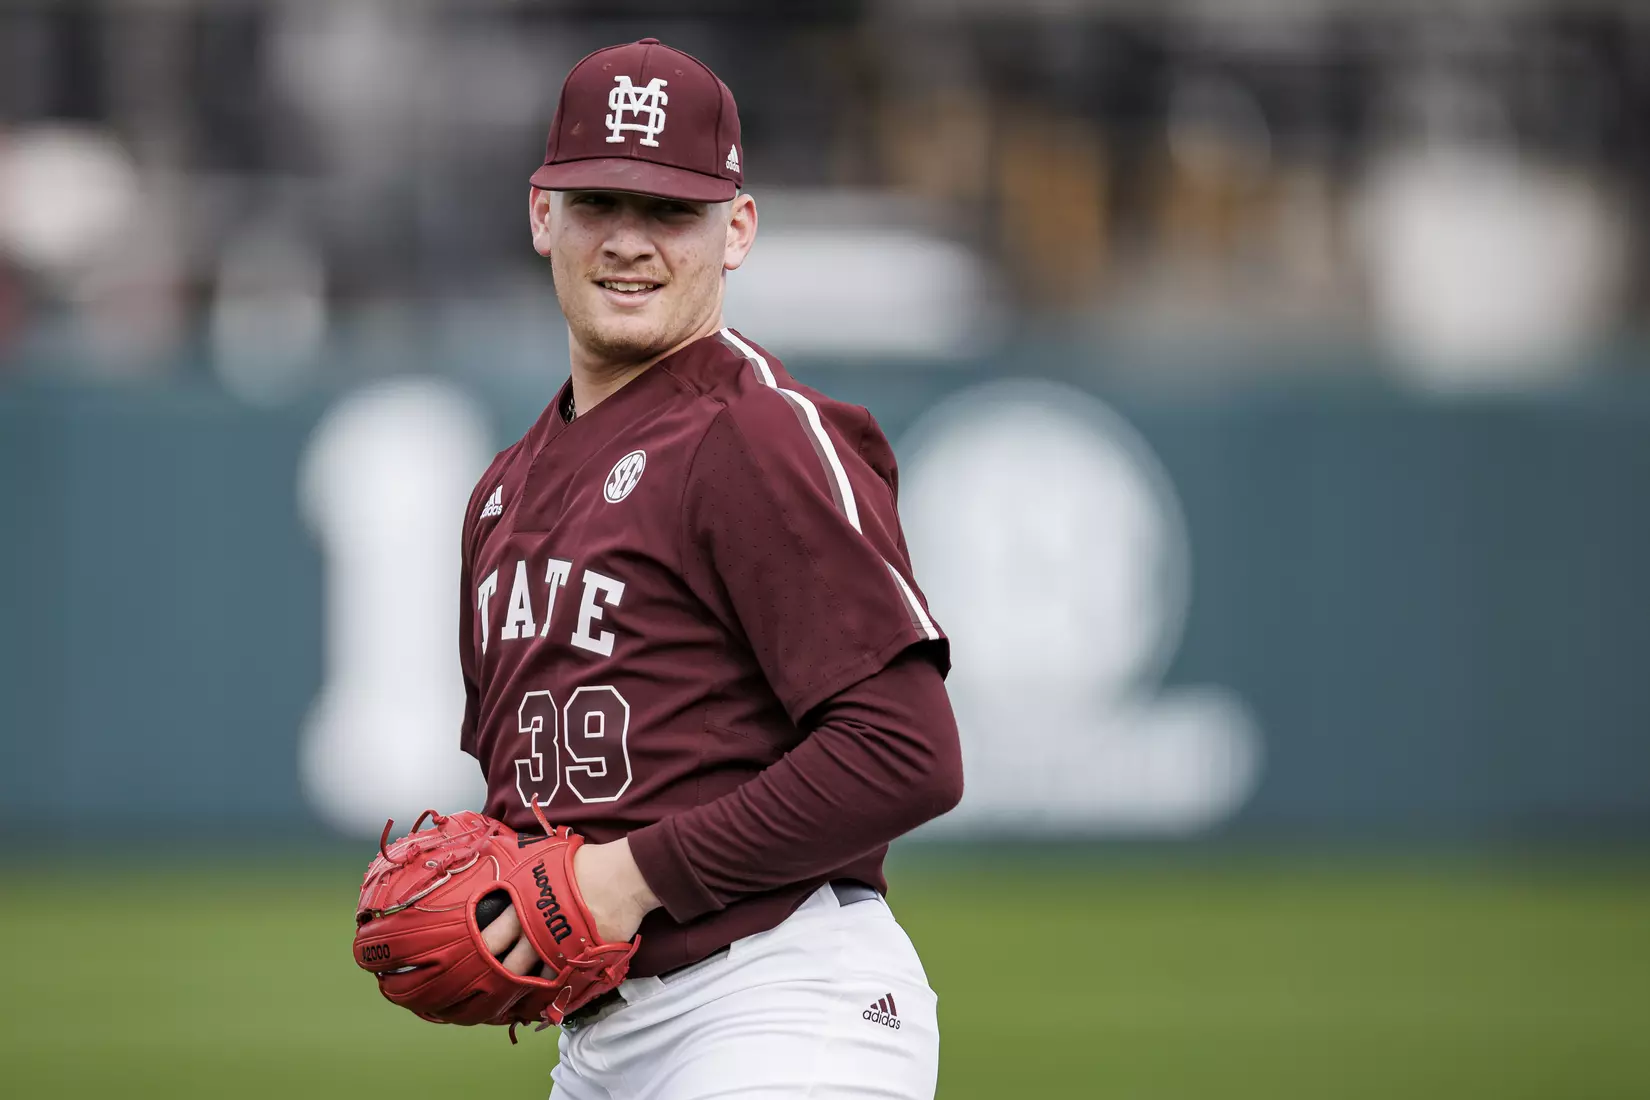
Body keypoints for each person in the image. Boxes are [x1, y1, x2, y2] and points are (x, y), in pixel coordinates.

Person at [458, 38, 962, 1098]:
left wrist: (626, 876)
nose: (630, 242)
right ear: (542, 212)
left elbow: (908, 750)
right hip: (603, 1040)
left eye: (671, 211)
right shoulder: (502, 494)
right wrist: (496, 899)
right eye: (599, 202)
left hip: (781, 1002)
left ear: (736, 231)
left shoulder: (752, 433)